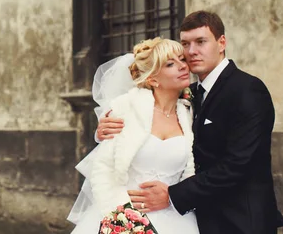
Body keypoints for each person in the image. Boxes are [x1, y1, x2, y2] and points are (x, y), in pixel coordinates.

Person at [97, 11, 283, 234]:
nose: (191, 52)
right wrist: (102, 130)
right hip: (198, 219)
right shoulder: (188, 97)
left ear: (221, 42)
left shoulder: (248, 90)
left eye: (201, 42)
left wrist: (173, 195)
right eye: (185, 44)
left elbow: (238, 164)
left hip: (240, 220)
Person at [68, 37, 200, 234]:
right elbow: (102, 168)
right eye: (171, 64)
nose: (183, 66)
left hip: (178, 219)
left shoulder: (190, 113)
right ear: (153, 79)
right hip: (124, 218)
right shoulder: (126, 108)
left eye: (182, 59)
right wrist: (122, 220)